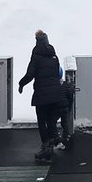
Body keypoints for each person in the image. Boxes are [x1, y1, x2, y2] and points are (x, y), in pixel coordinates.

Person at [18, 30, 70, 163]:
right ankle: (52, 143)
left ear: (37, 41)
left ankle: (46, 147)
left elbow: (30, 75)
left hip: (42, 95)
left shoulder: (36, 56)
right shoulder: (54, 56)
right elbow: (57, 73)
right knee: (50, 120)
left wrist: (21, 84)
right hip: (56, 94)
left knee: (42, 121)